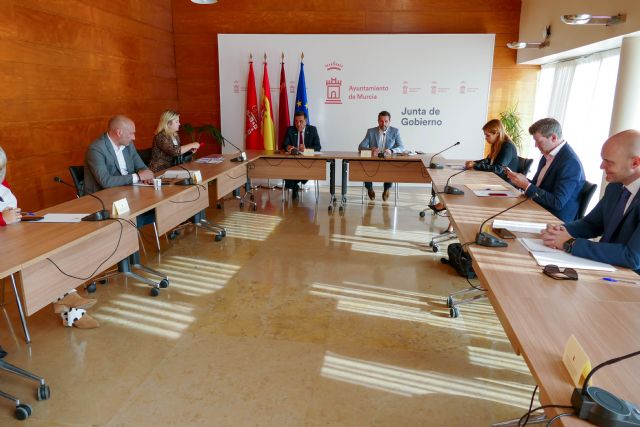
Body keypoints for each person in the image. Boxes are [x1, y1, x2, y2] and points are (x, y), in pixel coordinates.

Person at [0, 146, 98, 328]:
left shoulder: (1, 180)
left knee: (49, 246)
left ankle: (70, 305)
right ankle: (70, 303)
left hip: (12, 238)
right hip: (6, 249)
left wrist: (13, 214)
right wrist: (2, 219)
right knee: (38, 255)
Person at [542, 130, 640, 273]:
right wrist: (561, 231)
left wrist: (570, 243)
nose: (601, 166)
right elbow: (592, 224)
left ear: (635, 163)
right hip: (604, 268)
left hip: (631, 279)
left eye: (609, 162)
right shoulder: (615, 187)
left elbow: (633, 257)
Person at [429, 119, 518, 215]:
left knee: (467, 190)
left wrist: (475, 165)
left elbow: (498, 169)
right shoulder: (497, 144)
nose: (485, 138)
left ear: (497, 133)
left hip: (504, 185)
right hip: (494, 180)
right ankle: (447, 206)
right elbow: (488, 160)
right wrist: (474, 163)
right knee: (465, 185)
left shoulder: (507, 147)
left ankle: (448, 207)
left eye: (488, 135)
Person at [506, 118, 585, 222]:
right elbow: (537, 186)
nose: (536, 146)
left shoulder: (571, 163)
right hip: (537, 207)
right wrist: (521, 181)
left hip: (554, 220)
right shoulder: (547, 154)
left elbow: (557, 202)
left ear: (553, 138)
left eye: (538, 141)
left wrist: (526, 185)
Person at [84, 115, 154, 194]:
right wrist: (138, 177)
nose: (133, 138)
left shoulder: (128, 144)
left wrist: (147, 176)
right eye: (131, 133)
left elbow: (141, 166)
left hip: (129, 190)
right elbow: (105, 181)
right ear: (119, 133)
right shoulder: (96, 149)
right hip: (104, 195)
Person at [358, 111, 405, 201]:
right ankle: (369, 188)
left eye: (386, 121)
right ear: (378, 121)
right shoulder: (371, 131)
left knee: (391, 168)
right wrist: (371, 150)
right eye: (381, 121)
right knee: (366, 166)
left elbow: (401, 147)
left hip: (388, 160)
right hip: (373, 161)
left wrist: (391, 151)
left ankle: (387, 189)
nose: (384, 124)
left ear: (389, 121)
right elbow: (360, 147)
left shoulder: (395, 131)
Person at [282, 111, 321, 200]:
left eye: (301, 121)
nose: (298, 124)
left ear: (305, 121)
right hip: (292, 162)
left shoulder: (312, 130)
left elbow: (318, 147)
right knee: (287, 169)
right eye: (296, 121)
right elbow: (284, 145)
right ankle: (295, 186)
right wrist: (288, 147)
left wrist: (306, 148)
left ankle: (294, 186)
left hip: (307, 163)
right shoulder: (290, 130)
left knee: (297, 172)